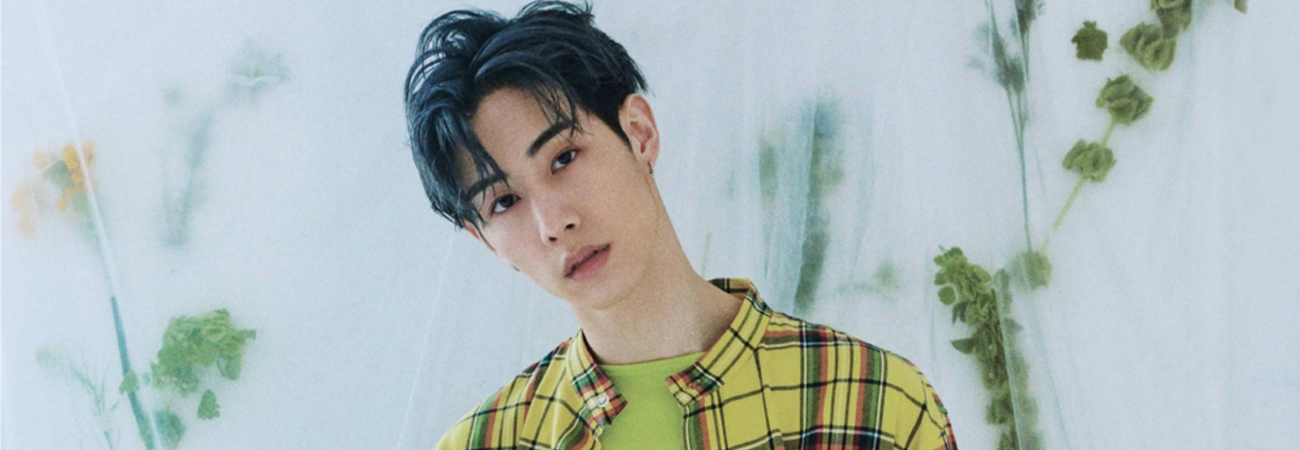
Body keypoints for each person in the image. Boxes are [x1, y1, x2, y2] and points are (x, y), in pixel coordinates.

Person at [403, 1, 958, 449]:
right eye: (504, 202)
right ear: (485, 241)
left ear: (639, 133)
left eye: (564, 158)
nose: (554, 223)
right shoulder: (485, 442)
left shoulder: (874, 405)